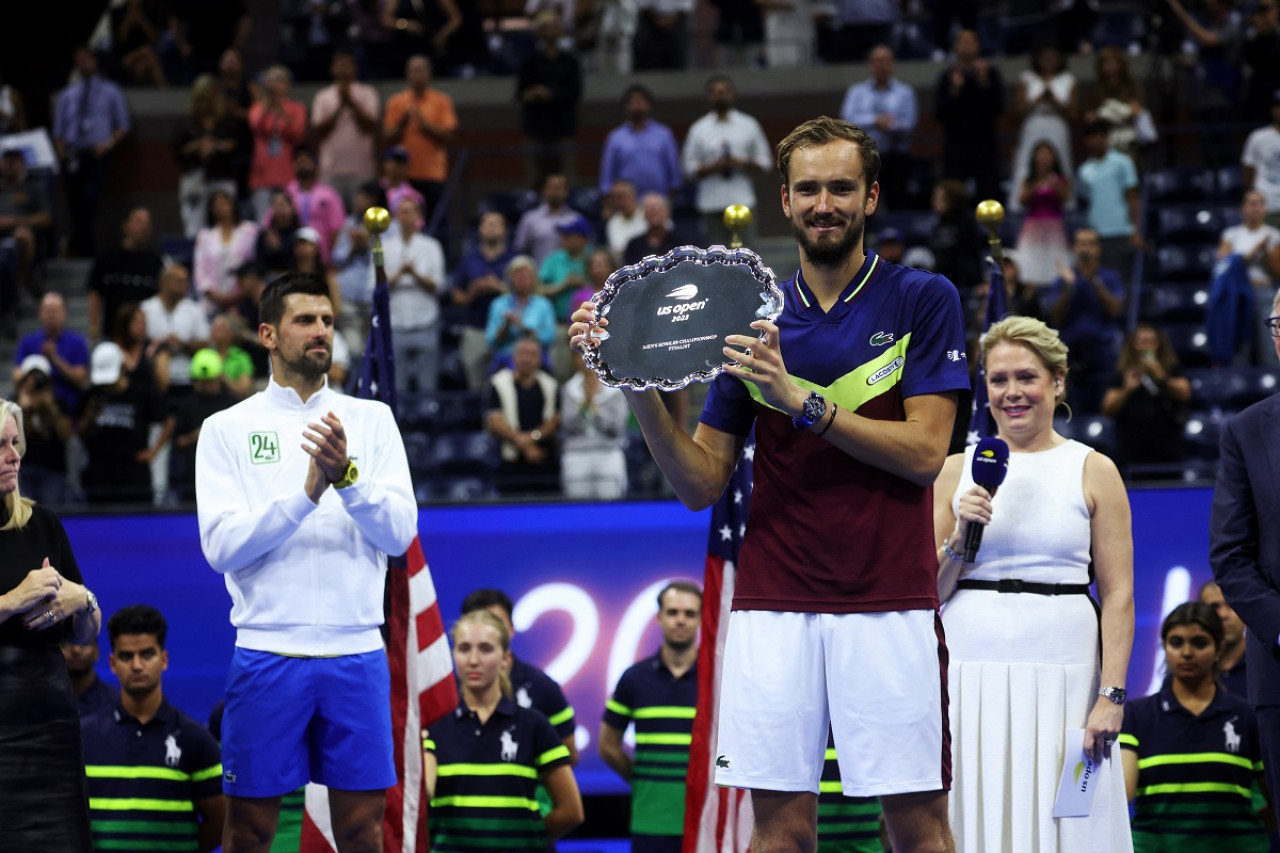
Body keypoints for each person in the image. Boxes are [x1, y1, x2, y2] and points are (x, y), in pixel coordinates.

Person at [570, 115, 969, 853]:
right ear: (784, 200)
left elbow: (923, 453)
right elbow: (700, 483)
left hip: (889, 601)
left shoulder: (923, 298)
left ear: (872, 195)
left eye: (842, 188)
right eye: (809, 188)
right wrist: (632, 382)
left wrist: (802, 402)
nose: (826, 203)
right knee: (778, 832)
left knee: (917, 829)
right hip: (772, 603)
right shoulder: (746, 320)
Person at [196, 271, 417, 853]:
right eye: (304, 320)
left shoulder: (373, 421)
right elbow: (221, 546)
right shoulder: (225, 430)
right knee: (247, 832)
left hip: (357, 653)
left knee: (364, 832)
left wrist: (346, 479)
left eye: (326, 320)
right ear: (268, 334)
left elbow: (399, 536)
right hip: (268, 651)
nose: (321, 331)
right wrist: (304, 495)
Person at [934, 314, 1134, 852]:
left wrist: (1111, 696)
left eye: (1026, 377)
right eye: (998, 380)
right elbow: (927, 593)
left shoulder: (1094, 468)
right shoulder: (954, 470)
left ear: (1057, 382)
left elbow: (1118, 595)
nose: (1012, 392)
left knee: (1071, 814)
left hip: (1068, 671)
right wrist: (960, 534)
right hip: (968, 669)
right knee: (971, 813)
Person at [0, 395, 101, 851]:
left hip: (47, 726)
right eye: (1, 445)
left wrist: (83, 601)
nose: (14, 455)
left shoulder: (42, 523)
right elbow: (16, 602)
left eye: (16, 442)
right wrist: (11, 600)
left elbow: (84, 634)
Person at [423, 610, 583, 851]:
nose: (473, 660)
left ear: (505, 659)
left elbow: (571, 812)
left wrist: (527, 841)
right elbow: (421, 798)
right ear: (453, 655)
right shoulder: (434, 724)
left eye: (486, 649)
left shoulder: (534, 725)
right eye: (464, 648)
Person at [1120, 602, 1271, 852]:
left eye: (1199, 643)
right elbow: (1121, 797)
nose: (1187, 652)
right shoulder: (1136, 716)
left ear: (1219, 649)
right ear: (1164, 648)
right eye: (1176, 642)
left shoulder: (1246, 717)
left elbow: (1274, 800)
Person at [81, 604, 226, 852]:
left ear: (164, 660)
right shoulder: (84, 737)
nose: (137, 666)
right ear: (113, 663)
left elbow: (221, 821)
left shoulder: (196, 740)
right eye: (126, 656)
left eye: (147, 654)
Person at [599, 581, 701, 852]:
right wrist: (643, 779)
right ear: (659, 617)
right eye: (673, 612)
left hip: (706, 820)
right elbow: (607, 746)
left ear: (702, 618)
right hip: (650, 822)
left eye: (689, 613)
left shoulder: (718, 678)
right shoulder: (634, 679)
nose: (681, 620)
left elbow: (733, 748)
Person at [459, 588, 579, 763]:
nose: (487, 633)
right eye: (477, 625)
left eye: (496, 623)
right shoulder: (445, 696)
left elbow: (568, 756)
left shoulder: (543, 688)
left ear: (511, 629)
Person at [53, 46, 130, 257]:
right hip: (73, 154)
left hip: (98, 154)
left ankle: (76, 245)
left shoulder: (111, 91)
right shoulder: (67, 95)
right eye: (78, 60)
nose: (82, 64)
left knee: (90, 199)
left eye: (85, 59)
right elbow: (58, 131)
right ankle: (84, 248)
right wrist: (62, 158)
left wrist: (106, 145)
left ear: (95, 62)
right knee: (74, 203)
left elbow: (122, 127)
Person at [682, 75, 773, 247]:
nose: (720, 96)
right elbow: (688, 168)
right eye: (715, 92)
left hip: (742, 200)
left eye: (724, 92)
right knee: (715, 259)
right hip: (711, 202)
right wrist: (712, 168)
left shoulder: (749, 125)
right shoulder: (698, 129)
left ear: (733, 95)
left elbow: (766, 162)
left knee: (747, 257)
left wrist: (742, 163)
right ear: (708, 97)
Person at [79, 341, 169, 505]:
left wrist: (154, 451)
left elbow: (169, 419)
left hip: (133, 474)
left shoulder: (141, 393)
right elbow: (80, 432)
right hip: (99, 474)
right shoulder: (92, 394)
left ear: (122, 368)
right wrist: (90, 416)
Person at [1048, 227, 1127, 414]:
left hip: (1103, 348)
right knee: (1072, 408)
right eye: (1082, 244)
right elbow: (1055, 316)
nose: (1086, 249)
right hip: (1071, 350)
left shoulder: (1109, 277)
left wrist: (1094, 281)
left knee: (1104, 405)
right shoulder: (1064, 279)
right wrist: (1069, 287)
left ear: (1098, 249)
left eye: (1091, 244)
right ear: (1074, 248)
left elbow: (1115, 310)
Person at [1101, 323, 1190, 479]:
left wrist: (1161, 377)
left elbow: (1184, 392)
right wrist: (1127, 389)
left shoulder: (1170, 369)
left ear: (1159, 345)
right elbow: (1108, 407)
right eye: (1142, 341)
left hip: (1167, 451)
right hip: (1131, 452)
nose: (1146, 346)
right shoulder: (1123, 373)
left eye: (1151, 341)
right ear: (1133, 345)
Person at [383, 194, 447, 395]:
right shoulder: (384, 247)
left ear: (418, 215)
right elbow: (372, 288)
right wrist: (399, 274)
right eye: (402, 212)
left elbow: (440, 286)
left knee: (427, 385)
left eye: (410, 211)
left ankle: (428, 424)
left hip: (426, 322)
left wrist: (415, 275)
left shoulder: (431, 246)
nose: (406, 216)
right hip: (395, 324)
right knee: (397, 387)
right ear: (395, 215)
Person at [382, 54, 458, 225]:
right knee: (402, 223)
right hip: (403, 177)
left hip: (432, 174)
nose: (417, 75)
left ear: (429, 73)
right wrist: (402, 123)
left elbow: (450, 135)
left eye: (421, 70)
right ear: (407, 74)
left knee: (435, 223)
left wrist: (424, 124)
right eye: (413, 70)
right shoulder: (396, 102)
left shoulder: (441, 101)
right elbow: (386, 137)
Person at [173, 73, 250, 238]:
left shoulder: (226, 120)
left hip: (222, 176)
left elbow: (237, 143)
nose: (211, 99)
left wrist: (217, 146)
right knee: (194, 228)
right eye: (207, 95)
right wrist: (197, 147)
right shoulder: (187, 122)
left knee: (227, 223)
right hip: (195, 179)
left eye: (215, 94)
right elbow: (177, 151)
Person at [839, 45, 917, 208]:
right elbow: (847, 121)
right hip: (865, 158)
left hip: (896, 156)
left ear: (893, 64)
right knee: (862, 206)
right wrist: (875, 121)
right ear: (870, 64)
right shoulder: (857, 92)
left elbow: (909, 123)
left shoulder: (905, 92)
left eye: (886, 61)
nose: (881, 65)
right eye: (877, 61)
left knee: (898, 203)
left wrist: (892, 125)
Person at [934, 29, 1004, 203]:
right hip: (956, 144)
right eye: (962, 41)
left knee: (989, 190)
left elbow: (998, 108)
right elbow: (940, 113)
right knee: (952, 192)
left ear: (978, 46)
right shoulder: (947, 76)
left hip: (985, 143)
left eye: (970, 41)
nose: (966, 46)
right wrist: (954, 91)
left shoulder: (990, 73)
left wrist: (983, 83)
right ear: (956, 47)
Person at [484, 336, 560, 495]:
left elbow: (554, 421)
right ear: (514, 357)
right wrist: (525, 445)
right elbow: (494, 422)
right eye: (522, 353)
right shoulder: (498, 383)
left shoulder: (550, 385)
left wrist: (531, 438)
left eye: (532, 354)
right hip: (511, 462)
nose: (527, 359)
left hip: (543, 458)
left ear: (540, 359)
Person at [1007, 44, 1078, 213]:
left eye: (1052, 57)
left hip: (1057, 124)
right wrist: (1036, 101)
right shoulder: (1027, 78)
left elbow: (1074, 114)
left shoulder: (1068, 79)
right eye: (1044, 57)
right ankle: (1019, 201)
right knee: (1028, 160)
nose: (1048, 61)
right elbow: (1017, 111)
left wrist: (1056, 103)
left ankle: (1066, 201)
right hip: (1033, 124)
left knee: (1061, 160)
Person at [517, 10, 583, 187]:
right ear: (539, 32)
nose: (552, 31)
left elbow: (575, 93)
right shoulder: (530, 61)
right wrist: (531, 94)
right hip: (536, 128)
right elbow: (520, 93)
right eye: (547, 27)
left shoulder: (570, 62)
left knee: (566, 176)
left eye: (555, 26)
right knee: (535, 178)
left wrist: (550, 95)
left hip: (563, 128)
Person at [451, 211, 515, 390]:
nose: (491, 227)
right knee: (476, 385)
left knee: (507, 384)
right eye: (487, 224)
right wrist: (471, 294)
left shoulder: (513, 259)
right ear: (480, 230)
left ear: (504, 231)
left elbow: (527, 292)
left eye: (496, 224)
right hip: (475, 329)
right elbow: (456, 295)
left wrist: (499, 288)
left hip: (507, 332)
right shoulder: (468, 259)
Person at [310, 51, 380, 208]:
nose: (343, 70)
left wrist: (351, 102)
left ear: (355, 69)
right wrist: (339, 108)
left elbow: (370, 126)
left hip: (362, 171)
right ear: (332, 70)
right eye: (339, 66)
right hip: (330, 171)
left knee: (362, 219)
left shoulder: (367, 93)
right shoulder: (323, 96)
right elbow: (318, 131)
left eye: (347, 65)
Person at [1218, 189, 1280, 365]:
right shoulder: (1230, 234)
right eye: (1251, 204)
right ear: (1242, 208)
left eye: (1259, 204)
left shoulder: (1273, 235)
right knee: (1239, 345)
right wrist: (1253, 252)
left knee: (1268, 344)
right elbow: (1224, 264)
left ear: (1265, 209)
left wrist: (1266, 253)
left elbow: (1277, 271)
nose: (1255, 208)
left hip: (1264, 291)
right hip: (1236, 294)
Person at [168, 349, 237, 503]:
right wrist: (196, 436)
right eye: (201, 381)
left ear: (219, 377)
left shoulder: (233, 404)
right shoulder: (187, 405)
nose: (206, 385)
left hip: (227, 477)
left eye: (210, 380)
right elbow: (177, 442)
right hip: (193, 478)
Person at [1077, 120, 1143, 279]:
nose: (1097, 140)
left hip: (1120, 231)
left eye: (1101, 136)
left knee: (1120, 280)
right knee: (1097, 280)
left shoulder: (1123, 162)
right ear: (1086, 141)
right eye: (1092, 137)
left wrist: (1136, 230)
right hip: (1095, 235)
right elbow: (1085, 201)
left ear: (1107, 138)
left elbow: (1133, 198)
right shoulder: (1084, 170)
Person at [86, 206, 164, 342]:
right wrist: (94, 329)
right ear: (125, 226)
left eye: (147, 223)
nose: (143, 227)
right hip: (112, 333)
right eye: (138, 221)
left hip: (144, 336)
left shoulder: (155, 261)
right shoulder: (107, 257)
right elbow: (95, 294)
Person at [560, 348, 629, 499]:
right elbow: (568, 424)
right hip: (576, 454)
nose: (586, 359)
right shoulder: (569, 389)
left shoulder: (616, 388)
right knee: (577, 507)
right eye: (580, 355)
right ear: (575, 360)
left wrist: (596, 411)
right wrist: (586, 402)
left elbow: (617, 427)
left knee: (610, 506)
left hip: (608, 453)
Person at [598, 85, 682, 200]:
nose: (637, 105)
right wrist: (607, 198)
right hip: (626, 202)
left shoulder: (664, 134)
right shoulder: (615, 137)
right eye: (633, 102)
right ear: (626, 107)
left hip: (658, 199)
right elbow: (608, 171)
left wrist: (674, 188)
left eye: (641, 101)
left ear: (649, 105)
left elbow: (672, 166)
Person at [247, 65, 307, 222]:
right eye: (270, 80)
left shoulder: (296, 109)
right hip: (262, 176)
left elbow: (297, 133)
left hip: (288, 175)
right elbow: (256, 126)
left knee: (291, 219)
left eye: (278, 80)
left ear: (287, 85)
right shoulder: (257, 108)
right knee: (264, 222)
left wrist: (280, 107)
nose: (273, 85)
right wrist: (268, 105)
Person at [12, 292, 89, 414]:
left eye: (55, 311)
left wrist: (55, 359)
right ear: (40, 313)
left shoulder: (77, 343)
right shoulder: (28, 342)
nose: (51, 315)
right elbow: (16, 377)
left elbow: (81, 379)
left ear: (64, 313)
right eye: (47, 311)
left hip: (66, 407)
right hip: (32, 403)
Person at [1014, 140, 1072, 289]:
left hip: (1054, 228)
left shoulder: (1060, 179)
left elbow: (1065, 198)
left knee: (1055, 264)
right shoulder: (1029, 180)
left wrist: (1053, 184)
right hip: (1033, 228)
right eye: (1040, 153)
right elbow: (1021, 200)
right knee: (1030, 265)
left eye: (1047, 153)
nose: (1043, 157)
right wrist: (1036, 184)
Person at [193, 188, 259, 319]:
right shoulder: (205, 236)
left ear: (232, 205)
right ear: (211, 209)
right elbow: (199, 269)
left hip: (242, 296)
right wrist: (212, 294)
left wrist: (239, 294)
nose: (221, 208)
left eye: (224, 203)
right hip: (213, 299)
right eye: (216, 205)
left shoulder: (250, 231)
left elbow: (254, 263)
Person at [14, 359, 72, 506]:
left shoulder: (59, 403)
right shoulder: (14, 404)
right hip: (23, 469)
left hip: (52, 470)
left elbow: (67, 436)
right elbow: (12, 438)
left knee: (51, 513)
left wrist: (51, 407)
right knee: (23, 514)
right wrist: (22, 410)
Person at [486, 256, 557, 366]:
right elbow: (491, 340)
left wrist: (522, 327)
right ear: (510, 279)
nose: (521, 279)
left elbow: (548, 338)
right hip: (505, 359)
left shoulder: (543, 304)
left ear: (533, 279)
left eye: (525, 276)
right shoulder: (499, 304)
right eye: (517, 275)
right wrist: (506, 326)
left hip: (536, 361)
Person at [286, 145, 347, 265]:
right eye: (299, 161)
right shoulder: (287, 193)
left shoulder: (329, 194)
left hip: (323, 259)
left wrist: (332, 258)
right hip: (291, 258)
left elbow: (337, 229)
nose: (302, 164)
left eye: (306, 160)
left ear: (316, 165)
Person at [514, 172, 581, 266]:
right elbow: (520, 250)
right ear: (544, 190)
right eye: (550, 188)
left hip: (569, 277)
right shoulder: (530, 219)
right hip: (538, 275)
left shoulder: (575, 219)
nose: (554, 192)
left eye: (558, 188)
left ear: (565, 192)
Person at [1199, 580, 1249, 699]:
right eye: (1214, 607)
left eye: (1231, 605)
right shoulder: (1189, 668)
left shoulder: (1268, 666)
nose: (1223, 614)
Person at [623, 192, 685, 266]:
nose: (654, 213)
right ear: (644, 214)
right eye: (650, 210)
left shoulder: (681, 242)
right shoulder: (634, 245)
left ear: (667, 213)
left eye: (658, 209)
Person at [63, 639, 116, 717]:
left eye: (85, 643)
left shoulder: (115, 702)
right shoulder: (45, 703)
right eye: (67, 644)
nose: (76, 650)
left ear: (96, 652)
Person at [605, 179, 646, 259]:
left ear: (633, 195)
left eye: (622, 196)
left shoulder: (648, 215)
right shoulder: (612, 223)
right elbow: (617, 250)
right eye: (616, 198)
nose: (620, 202)